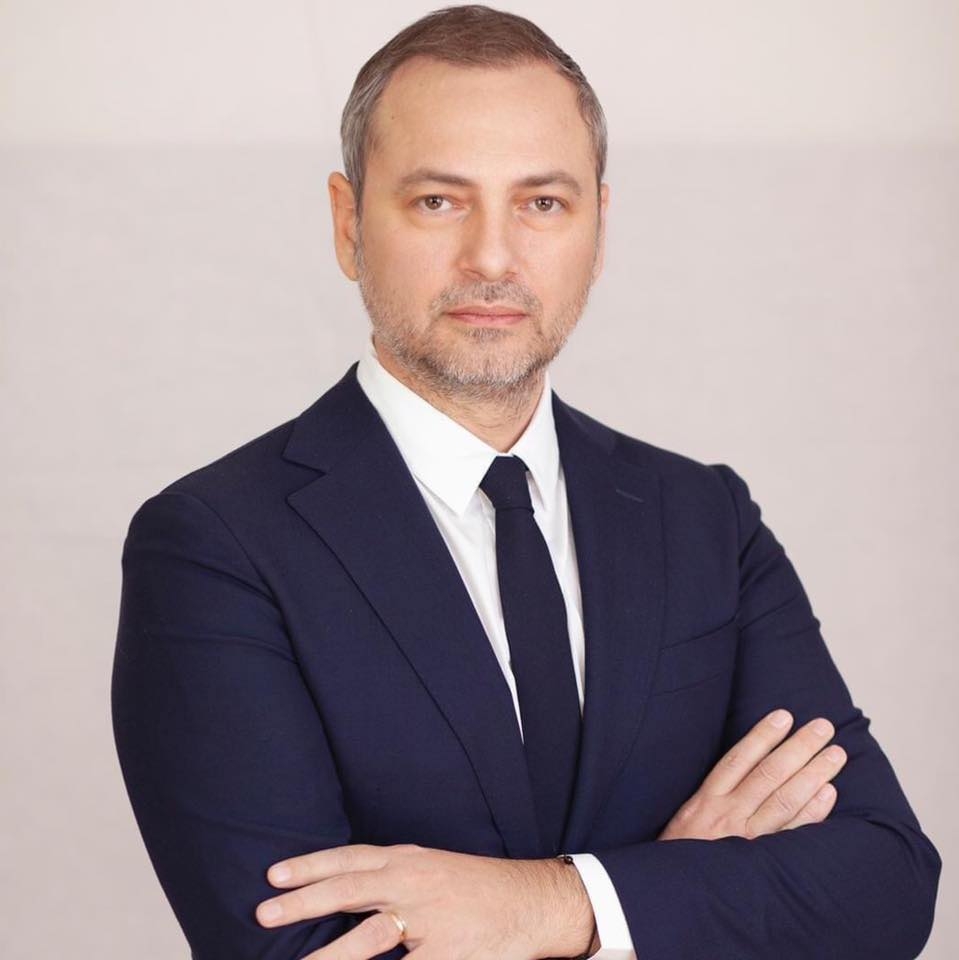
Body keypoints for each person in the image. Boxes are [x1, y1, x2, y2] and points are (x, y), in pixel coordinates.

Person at [110, 5, 941, 959]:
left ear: (598, 226)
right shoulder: (215, 545)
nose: (493, 258)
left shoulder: (703, 519)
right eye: (438, 201)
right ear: (348, 225)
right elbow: (300, 952)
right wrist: (671, 894)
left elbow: (885, 885)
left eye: (542, 203)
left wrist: (551, 906)